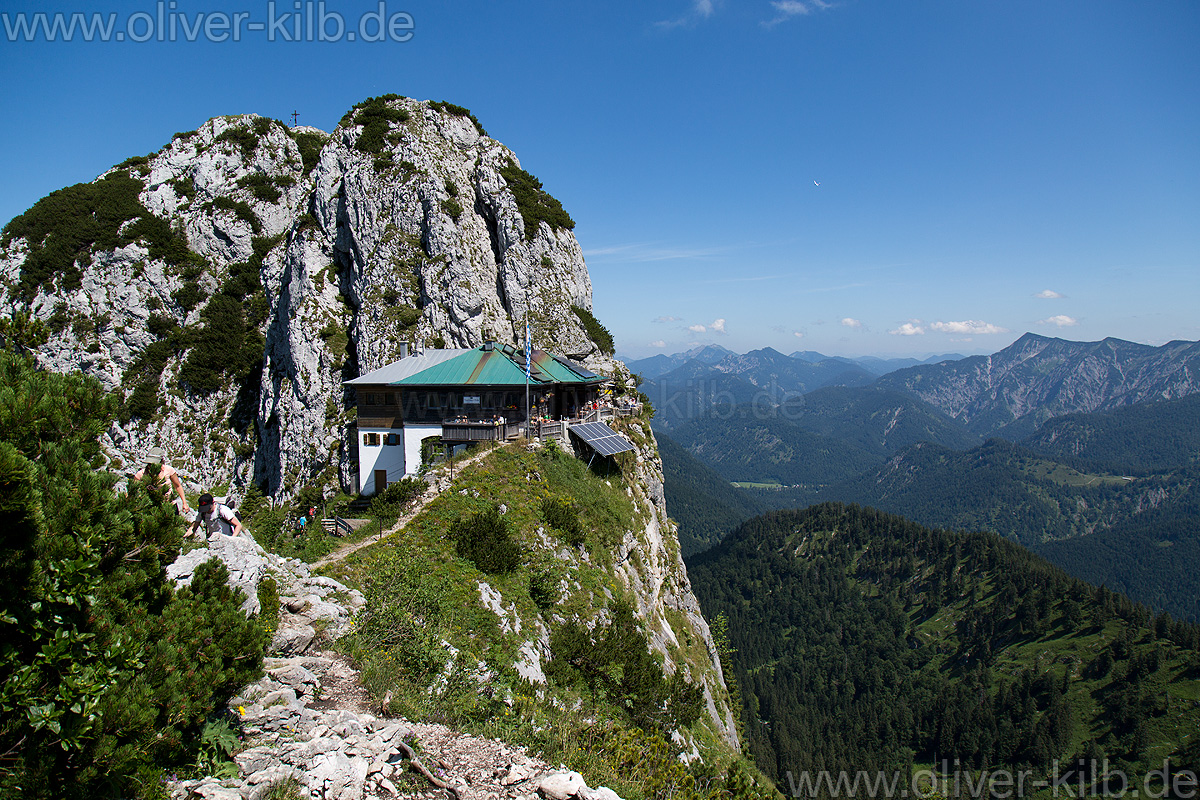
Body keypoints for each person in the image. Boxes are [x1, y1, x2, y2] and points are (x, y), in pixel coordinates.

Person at [134, 446, 190, 515]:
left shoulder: (169, 470)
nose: (151, 466)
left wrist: (184, 503)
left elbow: (178, 486)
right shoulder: (141, 474)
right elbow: (134, 490)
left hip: (169, 505)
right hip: (151, 507)